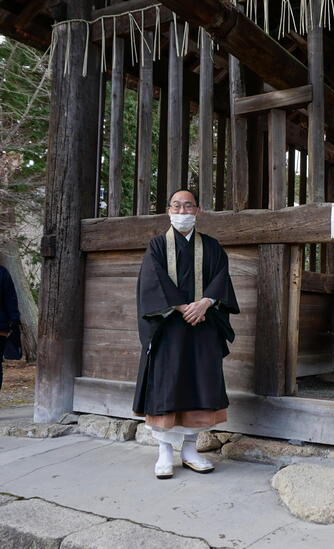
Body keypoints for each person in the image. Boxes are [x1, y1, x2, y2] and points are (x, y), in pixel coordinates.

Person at [132, 188, 239, 479]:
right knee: (167, 384)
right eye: (176, 207)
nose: (182, 212)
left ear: (198, 211)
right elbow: (152, 281)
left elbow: (221, 279)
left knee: (200, 384)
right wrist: (181, 307)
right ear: (168, 211)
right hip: (169, 328)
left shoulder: (213, 247)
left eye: (188, 207)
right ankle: (164, 453)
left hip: (203, 327)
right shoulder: (156, 245)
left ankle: (190, 450)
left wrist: (204, 303)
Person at [0, 264, 21, 391]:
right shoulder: (3, 272)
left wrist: (14, 320)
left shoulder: (2, 273)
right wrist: (14, 320)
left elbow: (10, 299)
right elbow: (11, 299)